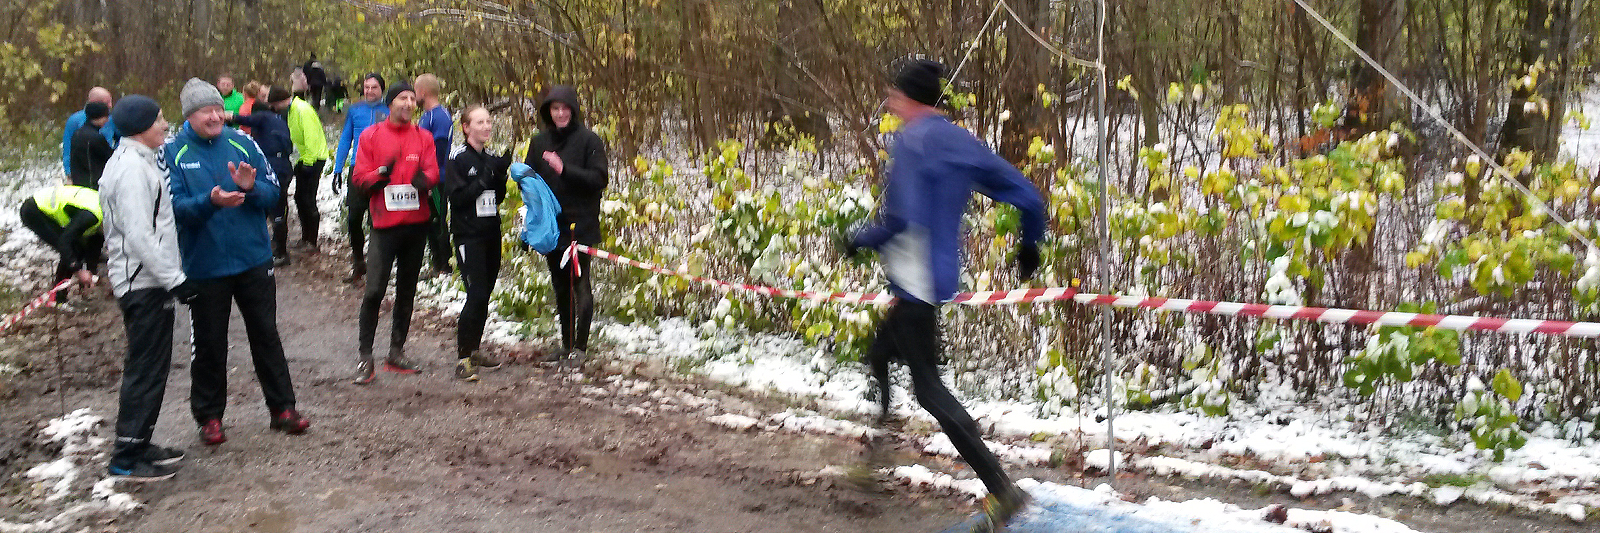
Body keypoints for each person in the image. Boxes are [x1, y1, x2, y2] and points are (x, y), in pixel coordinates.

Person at [842, 59, 1045, 531]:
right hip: (933, 278)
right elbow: (1028, 196)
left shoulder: (911, 143)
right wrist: (1029, 244)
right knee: (879, 353)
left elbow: (900, 221)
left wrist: (859, 239)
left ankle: (1002, 490)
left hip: (914, 280)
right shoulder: (960, 141)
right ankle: (879, 448)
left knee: (930, 389)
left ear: (909, 98)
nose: (891, 103)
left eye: (895, 95)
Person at [166, 78, 309, 446]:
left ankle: (283, 409)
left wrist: (251, 188)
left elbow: (273, 192)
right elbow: (173, 210)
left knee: (266, 334)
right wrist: (210, 202)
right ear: (189, 115)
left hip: (253, 259)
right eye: (206, 111)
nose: (215, 117)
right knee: (210, 343)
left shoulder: (243, 142)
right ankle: (209, 417)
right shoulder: (173, 153)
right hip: (205, 265)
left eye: (218, 109)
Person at [99, 94, 195, 481]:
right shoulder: (130, 170)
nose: (165, 125)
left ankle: (139, 442)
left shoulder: (142, 160)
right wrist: (175, 280)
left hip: (151, 280)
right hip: (142, 283)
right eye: (158, 120)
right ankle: (125, 456)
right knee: (145, 369)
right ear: (140, 127)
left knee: (154, 367)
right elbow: (138, 235)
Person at [350, 82, 438, 384]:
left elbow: (433, 170)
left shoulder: (423, 136)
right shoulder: (371, 135)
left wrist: (425, 180)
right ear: (390, 103)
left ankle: (396, 352)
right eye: (402, 98)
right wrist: (377, 177)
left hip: (415, 225)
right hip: (384, 226)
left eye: (412, 98)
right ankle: (365, 356)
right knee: (374, 290)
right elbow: (359, 176)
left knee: (407, 290)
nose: (409, 103)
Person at [524, 85, 608, 367]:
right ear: (548, 111)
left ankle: (580, 348)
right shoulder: (539, 142)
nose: (560, 114)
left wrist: (564, 170)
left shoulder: (589, 140)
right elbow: (530, 183)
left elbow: (599, 179)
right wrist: (529, 222)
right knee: (560, 286)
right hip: (551, 227)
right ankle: (566, 344)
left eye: (565, 108)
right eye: (555, 109)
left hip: (580, 224)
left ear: (573, 110)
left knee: (580, 284)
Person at [443, 105, 508, 381]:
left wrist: (501, 176)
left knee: (485, 293)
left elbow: (497, 198)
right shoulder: (457, 158)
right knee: (476, 293)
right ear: (466, 127)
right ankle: (463, 358)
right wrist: (483, 179)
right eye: (479, 122)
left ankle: (475, 349)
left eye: (488, 121)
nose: (486, 127)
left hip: (491, 233)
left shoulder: (490, 157)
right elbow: (457, 198)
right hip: (468, 235)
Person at [227, 86, 296, 266]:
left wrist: (230, 116)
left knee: (272, 208)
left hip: (274, 164)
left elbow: (245, 120)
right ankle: (275, 246)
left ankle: (279, 252)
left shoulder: (263, 117)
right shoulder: (279, 120)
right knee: (278, 207)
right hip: (284, 165)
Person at [331, 73, 388, 283]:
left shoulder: (389, 110)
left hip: (381, 171)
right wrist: (338, 169)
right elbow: (346, 138)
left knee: (376, 221)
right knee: (354, 218)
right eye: (366, 87)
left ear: (382, 89)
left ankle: (375, 267)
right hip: (359, 169)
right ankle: (358, 262)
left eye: (374, 87)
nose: (369, 91)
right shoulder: (355, 110)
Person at [18, 185, 103, 304]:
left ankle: (64, 294)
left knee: (77, 249)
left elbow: (95, 246)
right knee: (73, 249)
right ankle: (57, 299)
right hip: (34, 210)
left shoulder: (104, 214)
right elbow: (65, 241)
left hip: (50, 208)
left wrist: (90, 272)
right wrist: (79, 270)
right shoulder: (92, 216)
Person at [415, 74, 454, 275]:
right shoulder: (426, 116)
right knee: (429, 221)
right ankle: (436, 264)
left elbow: (438, 150)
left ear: (423, 92)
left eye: (415, 91)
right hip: (426, 178)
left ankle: (444, 265)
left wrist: (431, 179)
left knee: (438, 220)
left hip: (437, 179)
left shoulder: (439, 117)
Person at [284, 86, 330, 254]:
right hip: (304, 158)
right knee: (299, 198)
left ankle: (312, 241)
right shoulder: (292, 110)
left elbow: (311, 136)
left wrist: (308, 163)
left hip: (313, 159)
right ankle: (306, 237)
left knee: (308, 199)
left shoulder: (302, 109)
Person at [61, 87, 118, 179]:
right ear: (93, 102)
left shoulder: (111, 119)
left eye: (110, 102)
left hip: (106, 170)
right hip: (82, 171)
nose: (110, 106)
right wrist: (69, 174)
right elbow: (67, 148)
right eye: (107, 102)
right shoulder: (75, 121)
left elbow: (121, 139)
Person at [69, 102, 114, 189]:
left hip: (78, 186)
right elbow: (111, 158)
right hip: (93, 186)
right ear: (98, 117)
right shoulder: (96, 138)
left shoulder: (77, 134)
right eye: (105, 117)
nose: (107, 120)